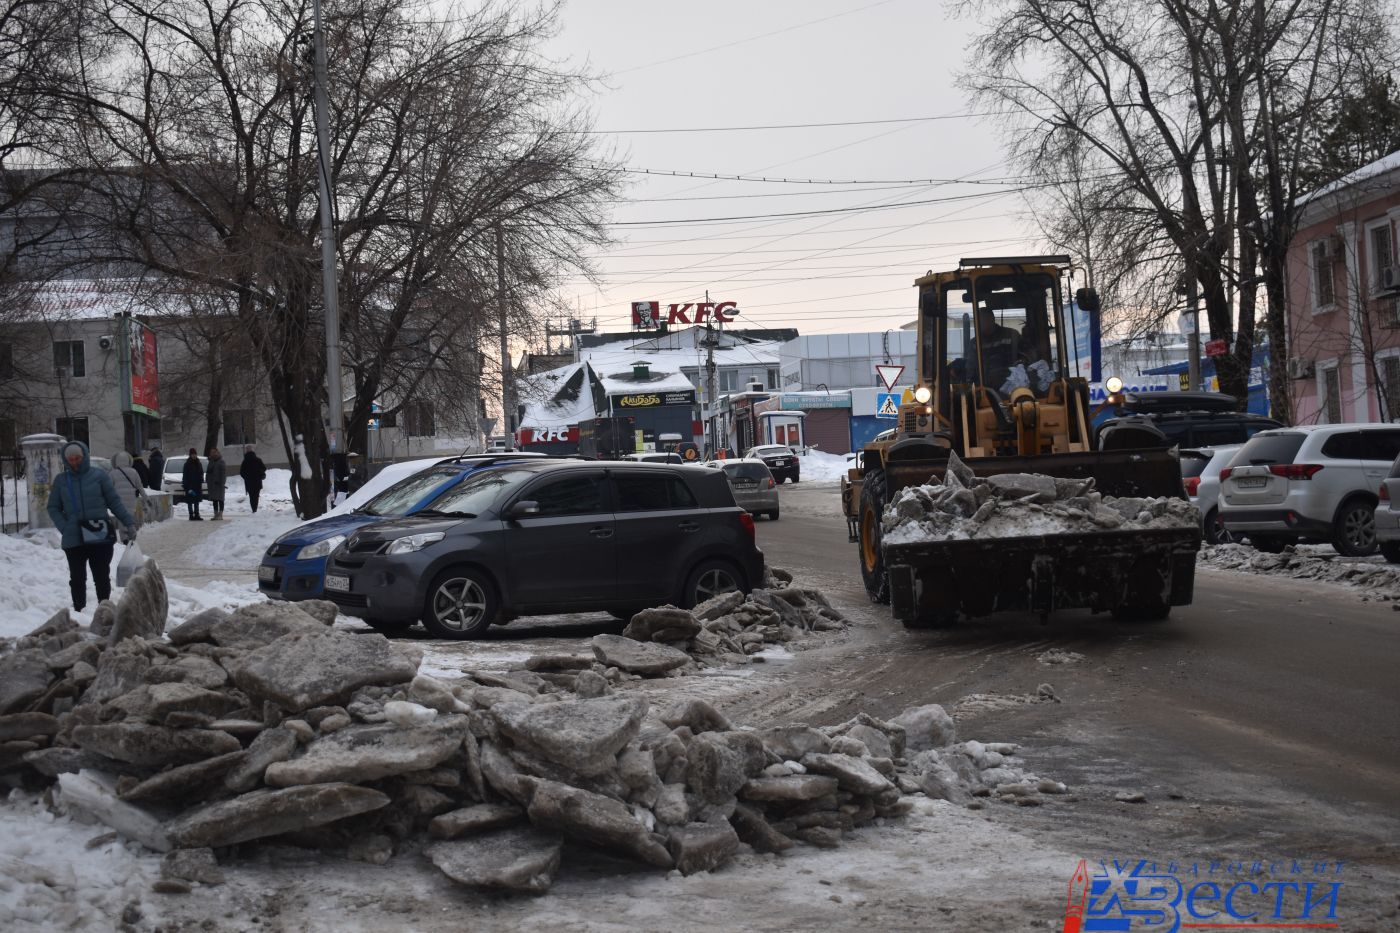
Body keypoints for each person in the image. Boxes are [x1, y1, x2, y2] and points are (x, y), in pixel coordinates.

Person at [46, 441, 137, 612]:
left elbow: (114, 502)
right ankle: (79, 610)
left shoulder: (99, 476)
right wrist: (64, 527)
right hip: (73, 536)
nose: (74, 462)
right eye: (70, 459)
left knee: (101, 576)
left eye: (77, 458)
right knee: (77, 578)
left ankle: (104, 611)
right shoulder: (61, 480)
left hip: (99, 534)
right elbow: (53, 507)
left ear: (84, 457)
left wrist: (128, 522)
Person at [106, 451, 150, 529]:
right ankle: (130, 534)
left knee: (121, 518)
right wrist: (146, 499)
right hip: (131, 499)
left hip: (119, 500)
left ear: (116, 461)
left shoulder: (112, 473)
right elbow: (140, 487)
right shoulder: (134, 472)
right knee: (129, 518)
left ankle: (124, 538)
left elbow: (108, 489)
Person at [239, 446, 267, 513]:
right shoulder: (258, 460)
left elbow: (241, 472)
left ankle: (253, 509)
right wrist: (259, 473)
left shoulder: (245, 461)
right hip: (257, 481)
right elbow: (264, 468)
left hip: (249, 482)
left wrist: (246, 477)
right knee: (256, 496)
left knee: (251, 497)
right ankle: (255, 509)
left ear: (246, 452)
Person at [182, 447, 204, 520]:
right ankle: (191, 515)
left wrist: (201, 479)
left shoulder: (199, 463)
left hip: (197, 485)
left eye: (195, 454)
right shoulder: (187, 464)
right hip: (190, 485)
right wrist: (186, 485)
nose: (194, 456)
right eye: (192, 454)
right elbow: (185, 475)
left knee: (196, 500)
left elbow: (201, 472)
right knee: (190, 501)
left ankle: (197, 514)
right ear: (190, 455)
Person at [205, 447, 227, 520]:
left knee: (220, 499)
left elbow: (223, 473)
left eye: (214, 452)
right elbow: (208, 472)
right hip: (212, 484)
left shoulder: (221, 461)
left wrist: (222, 482)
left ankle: (220, 515)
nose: (213, 453)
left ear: (217, 452)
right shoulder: (210, 461)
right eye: (211, 452)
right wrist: (207, 480)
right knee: (214, 500)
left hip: (219, 484)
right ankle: (215, 514)